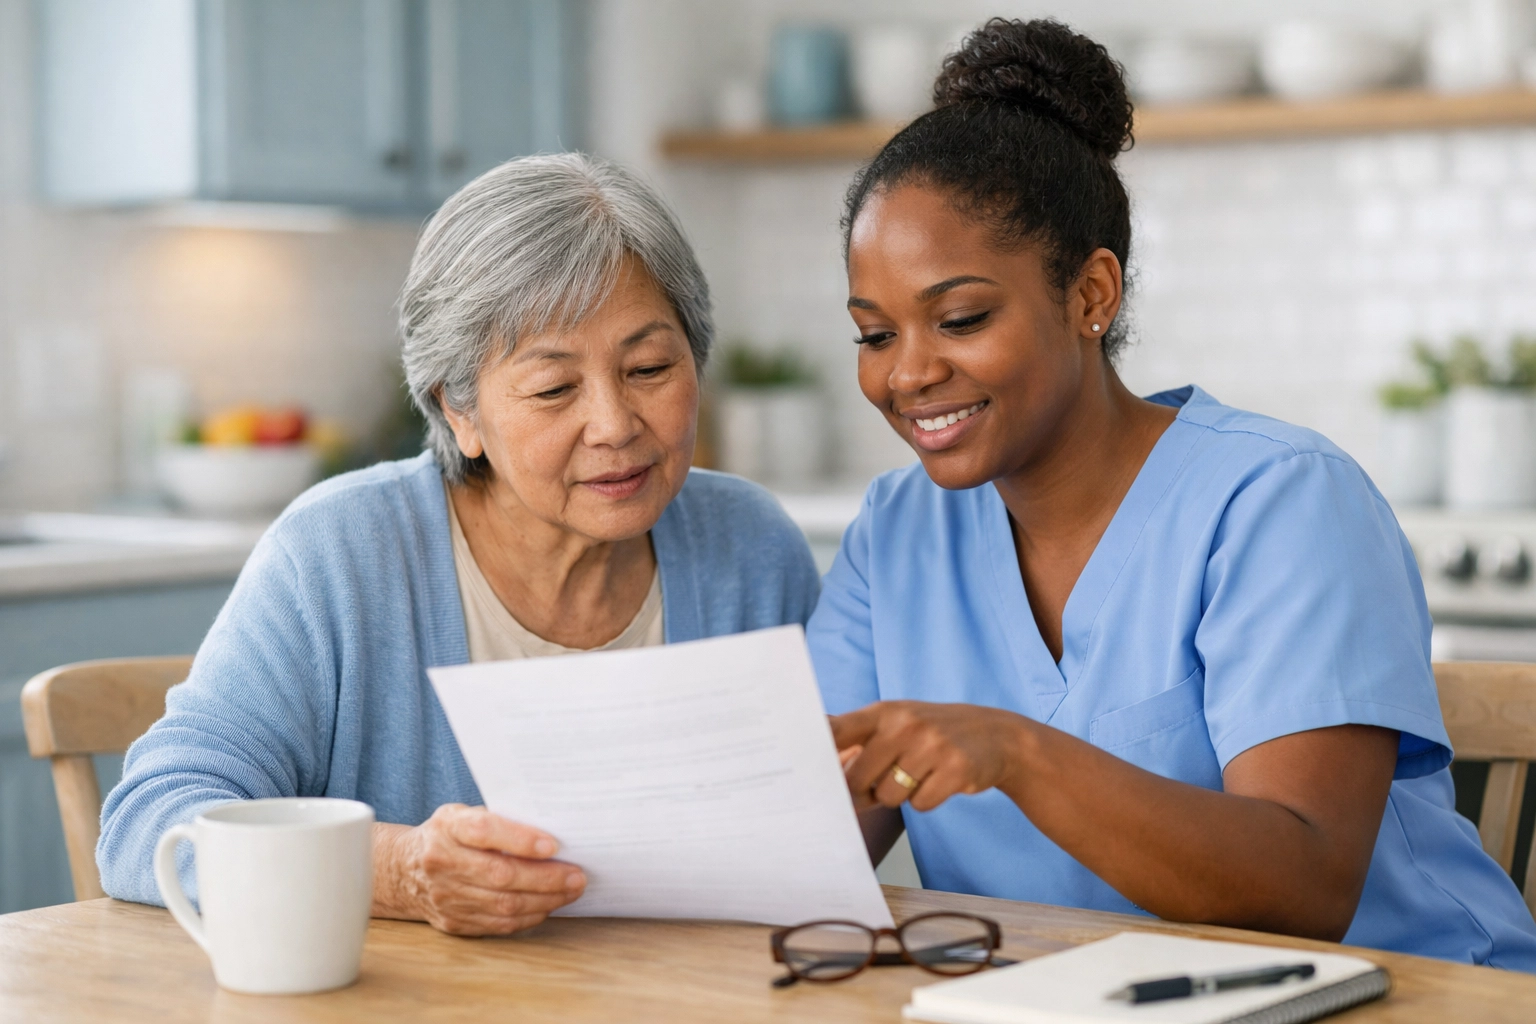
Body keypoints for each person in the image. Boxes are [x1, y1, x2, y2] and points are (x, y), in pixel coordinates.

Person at [807, 18, 1536, 970]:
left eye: (961, 317)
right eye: (874, 335)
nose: (907, 374)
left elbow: (1305, 887)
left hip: (1412, 996)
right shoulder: (894, 536)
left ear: (1091, 296)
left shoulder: (1280, 501)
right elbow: (807, 845)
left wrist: (1020, 753)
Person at [99, 153, 820, 936]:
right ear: (459, 412)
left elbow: (821, 831)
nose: (615, 425)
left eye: (649, 367)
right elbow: (153, 825)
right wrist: (397, 872)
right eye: (554, 389)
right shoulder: (339, 555)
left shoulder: (751, 550)